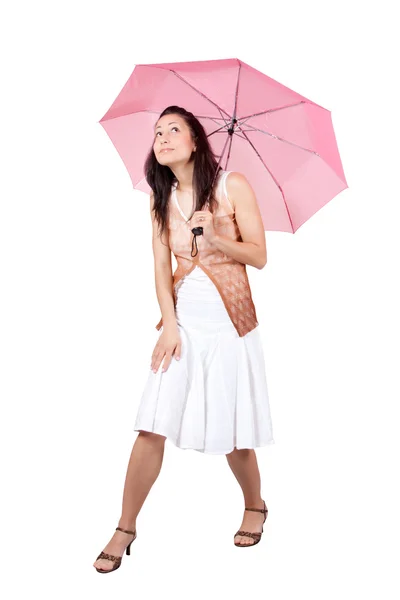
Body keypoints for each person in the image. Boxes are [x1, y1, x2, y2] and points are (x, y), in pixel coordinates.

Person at [93, 105, 274, 573]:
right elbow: (159, 267)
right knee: (152, 421)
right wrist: (169, 324)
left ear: (196, 141)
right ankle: (125, 526)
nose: (163, 136)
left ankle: (255, 503)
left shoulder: (232, 185)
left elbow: (258, 257)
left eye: (175, 129)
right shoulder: (160, 198)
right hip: (183, 325)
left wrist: (216, 235)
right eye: (158, 131)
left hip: (230, 325)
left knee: (235, 433)